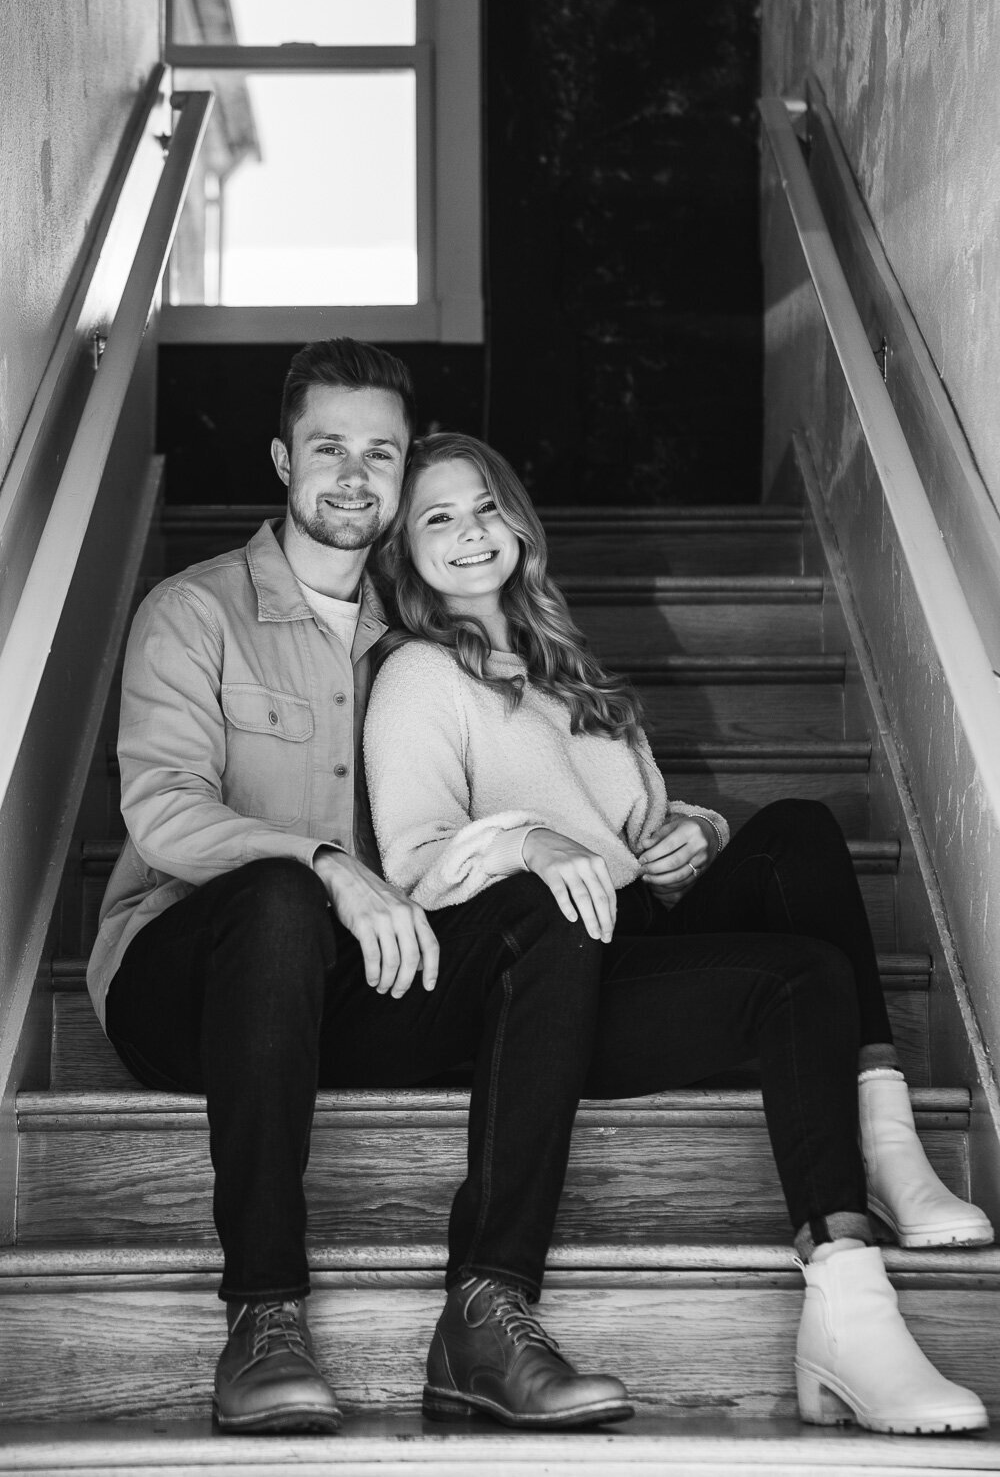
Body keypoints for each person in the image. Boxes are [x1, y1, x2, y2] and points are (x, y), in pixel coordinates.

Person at [364, 429, 993, 1436]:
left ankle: (886, 1145)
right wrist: (528, 842)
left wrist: (686, 836)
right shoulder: (420, 678)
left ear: (517, 519)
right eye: (437, 517)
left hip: (633, 932)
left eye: (485, 505)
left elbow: (636, 821)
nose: (470, 532)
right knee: (799, 978)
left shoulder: (562, 662)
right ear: (402, 552)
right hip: (551, 987)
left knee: (794, 835)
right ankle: (848, 1305)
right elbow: (415, 857)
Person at [88, 339, 635, 1434]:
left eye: (378, 453)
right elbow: (162, 814)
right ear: (283, 458)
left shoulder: (417, 641)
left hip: (347, 992)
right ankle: (261, 1319)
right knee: (283, 900)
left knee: (540, 910)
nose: (353, 474)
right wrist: (327, 865)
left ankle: (487, 1310)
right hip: (184, 984)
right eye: (328, 447)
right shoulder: (194, 611)